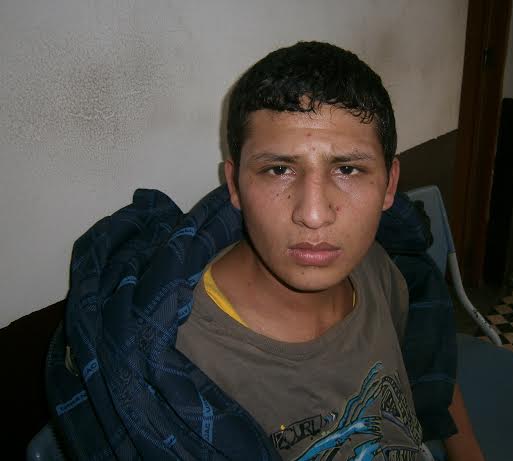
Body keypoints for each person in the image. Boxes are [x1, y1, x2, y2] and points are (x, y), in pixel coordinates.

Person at [46, 41, 483, 461]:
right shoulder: (177, 359)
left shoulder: (378, 269)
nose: (313, 214)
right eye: (278, 169)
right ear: (234, 185)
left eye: (348, 169)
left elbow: (418, 366)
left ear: (389, 185)